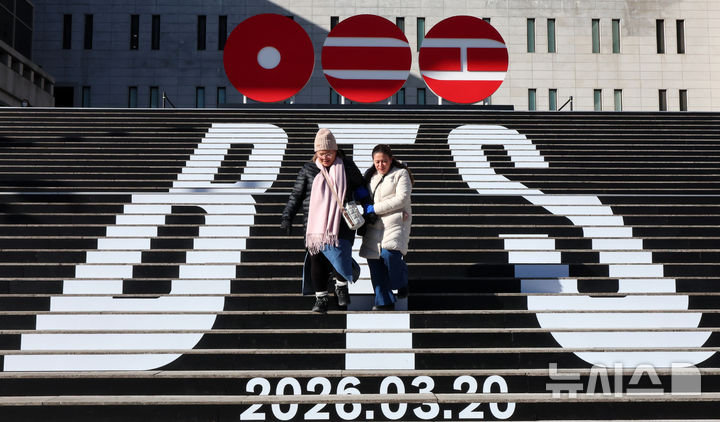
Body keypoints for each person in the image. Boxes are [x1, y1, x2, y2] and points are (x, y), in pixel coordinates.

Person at [281, 128, 373, 313]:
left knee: (341, 255)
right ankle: (321, 298)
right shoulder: (308, 169)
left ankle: (341, 287)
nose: (325, 157)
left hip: (342, 222)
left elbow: (361, 189)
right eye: (321, 153)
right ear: (316, 152)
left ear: (335, 151)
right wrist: (287, 216)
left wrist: (369, 209)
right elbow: (296, 195)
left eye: (329, 153)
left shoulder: (347, 166)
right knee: (317, 260)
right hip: (315, 225)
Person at [359, 144, 414, 311]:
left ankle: (401, 282)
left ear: (391, 160)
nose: (380, 165)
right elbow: (363, 195)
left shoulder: (401, 173)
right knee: (374, 262)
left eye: (384, 161)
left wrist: (374, 208)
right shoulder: (370, 176)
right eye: (377, 162)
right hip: (374, 224)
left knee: (389, 254)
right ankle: (384, 302)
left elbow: (402, 199)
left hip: (395, 222)